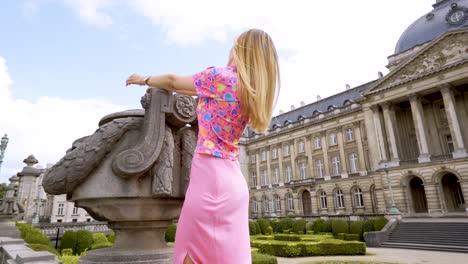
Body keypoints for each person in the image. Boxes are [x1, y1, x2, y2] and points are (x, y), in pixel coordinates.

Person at [126, 28, 280, 264]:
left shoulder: (221, 77)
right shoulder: (250, 91)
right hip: (233, 183)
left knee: (190, 252)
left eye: (235, 45)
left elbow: (173, 81)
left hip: (210, 181)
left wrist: (143, 79)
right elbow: (188, 88)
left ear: (241, 50)